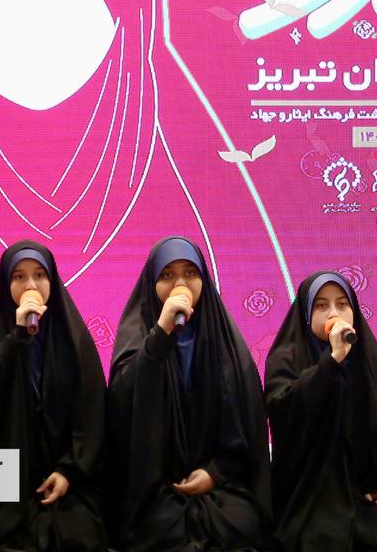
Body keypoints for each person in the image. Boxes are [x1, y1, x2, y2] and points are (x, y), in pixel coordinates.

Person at [106, 236, 273, 552]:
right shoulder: (138, 335)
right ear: (152, 284)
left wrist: (216, 472)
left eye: (190, 273)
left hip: (219, 486)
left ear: (203, 281)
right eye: (167, 275)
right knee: (159, 529)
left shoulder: (227, 345)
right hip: (155, 489)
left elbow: (245, 429)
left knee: (242, 523)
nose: (179, 284)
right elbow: (120, 406)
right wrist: (159, 335)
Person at [0, 241, 109, 551]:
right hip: (4, 480)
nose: (31, 285)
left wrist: (69, 470)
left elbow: (91, 411)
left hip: (67, 478)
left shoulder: (75, 339)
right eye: (19, 277)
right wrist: (15, 339)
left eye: (39, 275)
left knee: (79, 538)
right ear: (6, 284)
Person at [264, 271, 377, 552]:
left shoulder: (371, 365)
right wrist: (331, 362)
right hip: (307, 495)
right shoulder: (285, 358)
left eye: (342, 304)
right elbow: (285, 414)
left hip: (364, 495)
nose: (334, 313)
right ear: (306, 314)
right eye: (321, 306)